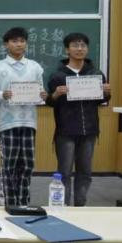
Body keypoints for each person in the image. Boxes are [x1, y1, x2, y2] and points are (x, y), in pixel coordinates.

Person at [46, 33, 111, 206]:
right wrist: (56, 94)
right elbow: (50, 102)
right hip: (66, 130)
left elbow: (101, 100)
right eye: (75, 45)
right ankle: (63, 206)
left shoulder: (96, 74)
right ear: (67, 50)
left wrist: (106, 93)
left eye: (83, 45)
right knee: (64, 171)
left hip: (89, 129)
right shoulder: (57, 75)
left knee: (85, 171)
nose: (79, 49)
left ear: (87, 49)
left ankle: (80, 206)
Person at [0, 27, 47, 207]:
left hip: (29, 121)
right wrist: (2, 94)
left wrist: (43, 95)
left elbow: (40, 92)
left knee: (27, 164)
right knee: (9, 165)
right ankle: (10, 204)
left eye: (22, 41)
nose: (19, 44)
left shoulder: (35, 67)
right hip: (7, 122)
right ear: (6, 44)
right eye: (14, 41)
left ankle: (24, 203)